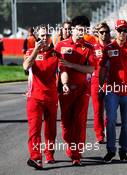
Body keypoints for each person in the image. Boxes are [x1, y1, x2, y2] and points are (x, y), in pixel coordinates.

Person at [23, 25, 69, 170]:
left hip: (51, 97)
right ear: (36, 38)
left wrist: (65, 83)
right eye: (41, 36)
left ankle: (49, 154)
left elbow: (62, 71)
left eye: (46, 35)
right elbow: (25, 66)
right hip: (34, 98)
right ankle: (36, 158)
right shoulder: (31, 52)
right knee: (34, 129)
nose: (44, 38)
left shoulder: (55, 54)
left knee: (50, 129)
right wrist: (36, 50)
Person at [99, 19, 127, 163]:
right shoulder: (108, 48)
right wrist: (101, 87)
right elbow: (102, 69)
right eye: (119, 30)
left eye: (125, 30)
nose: (122, 33)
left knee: (126, 122)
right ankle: (111, 150)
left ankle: (123, 150)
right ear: (115, 31)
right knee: (111, 120)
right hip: (112, 90)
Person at [54, 15, 95, 166]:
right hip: (65, 89)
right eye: (78, 29)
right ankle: (70, 147)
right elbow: (61, 67)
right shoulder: (61, 46)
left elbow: (90, 69)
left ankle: (76, 155)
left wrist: (71, 65)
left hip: (83, 90)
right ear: (73, 29)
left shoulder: (89, 48)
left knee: (79, 122)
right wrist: (64, 83)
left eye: (83, 30)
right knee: (65, 124)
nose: (80, 33)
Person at [91, 22, 111, 143]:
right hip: (96, 81)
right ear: (97, 34)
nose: (104, 35)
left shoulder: (113, 46)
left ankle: (109, 132)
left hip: (110, 82)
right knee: (98, 110)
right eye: (101, 32)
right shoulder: (92, 47)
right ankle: (99, 135)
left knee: (110, 110)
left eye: (106, 32)